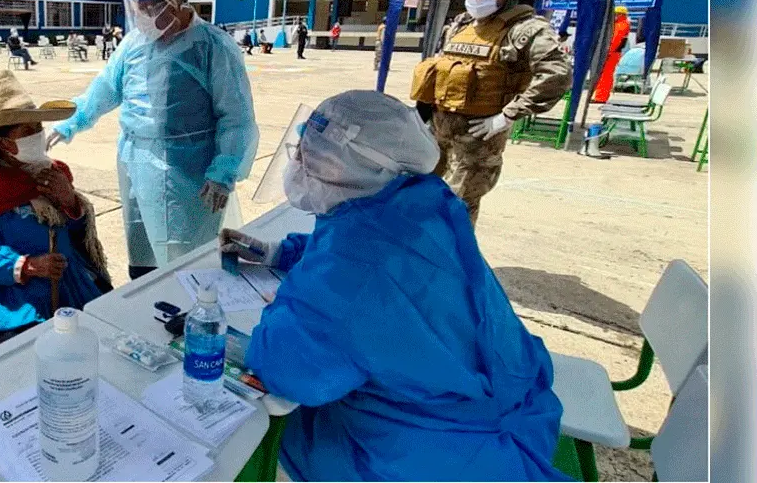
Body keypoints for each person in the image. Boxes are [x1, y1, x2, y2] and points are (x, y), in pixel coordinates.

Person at [221, 90, 566, 482]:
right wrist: (279, 253)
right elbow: (373, 255)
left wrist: (285, 302)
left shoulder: (347, 280)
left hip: (424, 451)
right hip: (505, 398)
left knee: (256, 436)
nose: (297, 161)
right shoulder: (418, 202)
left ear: (345, 168)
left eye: (308, 155)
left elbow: (286, 369)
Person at [47, 0, 258, 280]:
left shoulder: (212, 47)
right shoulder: (134, 43)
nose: (143, 15)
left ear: (174, 1)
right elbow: (104, 89)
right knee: (142, 256)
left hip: (188, 172)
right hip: (135, 163)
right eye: (139, 7)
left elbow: (236, 115)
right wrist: (70, 121)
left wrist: (224, 170)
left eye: (150, 7)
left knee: (185, 263)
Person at [0, 70, 112, 364]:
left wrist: (69, 201)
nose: (39, 134)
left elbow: (78, 234)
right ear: (2, 144)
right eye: (28, 130)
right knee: (26, 358)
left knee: (98, 334)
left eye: (38, 126)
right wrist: (28, 266)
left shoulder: (51, 172)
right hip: (14, 290)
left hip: (66, 280)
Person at [411, 0, 571, 225]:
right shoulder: (462, 23)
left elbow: (557, 74)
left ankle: (457, 266)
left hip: (477, 139)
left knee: (456, 210)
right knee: (425, 201)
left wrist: (508, 115)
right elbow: (441, 71)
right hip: (438, 134)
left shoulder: (526, 29)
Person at [591, 6, 631, 103]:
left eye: (615, 14)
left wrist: (607, 52)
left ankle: (601, 97)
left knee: (605, 76)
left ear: (620, 14)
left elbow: (615, 40)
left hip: (611, 54)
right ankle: (600, 96)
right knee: (605, 75)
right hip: (613, 53)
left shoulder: (621, 25)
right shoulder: (619, 24)